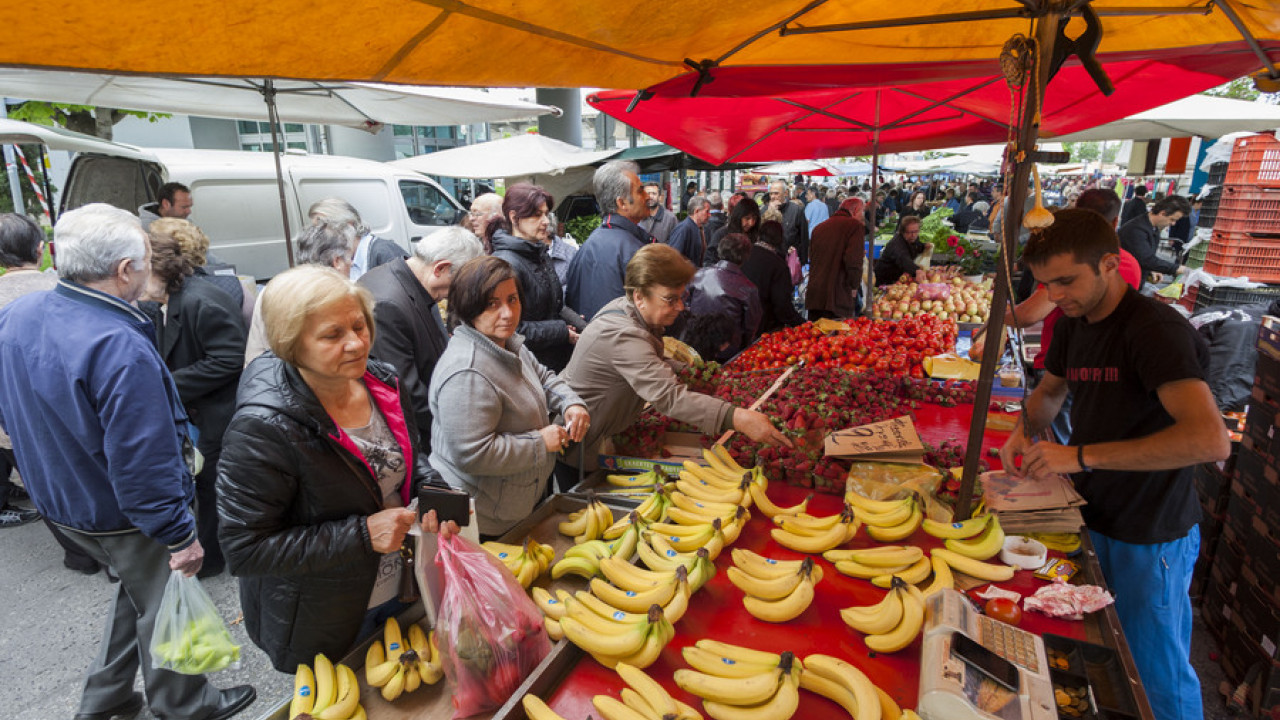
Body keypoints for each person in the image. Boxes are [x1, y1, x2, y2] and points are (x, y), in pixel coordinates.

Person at [0, 204, 256, 720]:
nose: (148, 268)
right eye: (142, 258)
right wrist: (180, 534)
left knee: (139, 593)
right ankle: (184, 705)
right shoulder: (116, 344)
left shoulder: (19, 314)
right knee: (161, 600)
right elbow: (144, 459)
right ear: (123, 270)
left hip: (62, 501)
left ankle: (105, 699)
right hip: (118, 508)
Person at [999, 208, 1230, 720]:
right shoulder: (1075, 324)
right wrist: (1024, 430)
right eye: (1044, 284)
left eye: (1065, 280)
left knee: (1156, 672)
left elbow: (1211, 441)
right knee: (1104, 657)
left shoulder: (1155, 331)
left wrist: (1078, 456)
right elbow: (1051, 392)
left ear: (1108, 264)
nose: (1055, 296)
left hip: (1150, 532)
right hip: (1092, 514)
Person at [218, 265, 457, 672]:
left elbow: (407, 463)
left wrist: (439, 495)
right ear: (291, 343)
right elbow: (244, 549)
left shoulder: (382, 382)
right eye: (332, 335)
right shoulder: (262, 427)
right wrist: (362, 534)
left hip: (400, 587)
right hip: (326, 614)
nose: (356, 343)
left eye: (359, 326)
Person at [557, 244, 792, 489]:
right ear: (639, 296)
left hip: (604, 435)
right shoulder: (622, 333)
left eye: (682, 297)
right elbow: (670, 398)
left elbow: (643, 360)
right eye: (670, 299)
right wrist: (739, 418)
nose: (680, 307)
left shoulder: (630, 310)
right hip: (581, 450)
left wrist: (685, 371)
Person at [429, 256, 589, 537]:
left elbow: (543, 377)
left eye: (512, 299)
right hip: (485, 517)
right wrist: (540, 443)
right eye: (492, 304)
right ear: (469, 306)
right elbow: (472, 453)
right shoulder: (467, 372)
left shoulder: (507, 344)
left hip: (516, 501)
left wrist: (570, 402)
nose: (507, 313)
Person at [0, 213, 109, 583]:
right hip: (71, 408)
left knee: (39, 475)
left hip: (13, 417)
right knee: (90, 474)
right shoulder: (63, 290)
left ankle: (78, 554)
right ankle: (111, 554)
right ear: (39, 249)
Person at [140, 219, 247, 580]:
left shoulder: (202, 299)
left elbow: (230, 359)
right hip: (198, 413)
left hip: (219, 413)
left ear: (159, 270)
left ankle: (213, 559)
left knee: (213, 489)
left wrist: (167, 384)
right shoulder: (166, 302)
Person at [359, 226, 484, 452]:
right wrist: (460, 429)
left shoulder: (408, 278)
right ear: (441, 268)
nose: (462, 291)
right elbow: (407, 396)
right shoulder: (389, 306)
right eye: (462, 282)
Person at [487, 183, 580, 371]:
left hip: (553, 362)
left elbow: (555, 305)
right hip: (528, 367)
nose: (545, 221)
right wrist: (562, 331)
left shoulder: (539, 252)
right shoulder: (505, 263)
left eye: (546, 214)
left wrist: (585, 328)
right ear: (514, 218)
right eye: (537, 215)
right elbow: (512, 330)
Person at [244, 221, 358, 364]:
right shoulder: (336, 295)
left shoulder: (272, 288)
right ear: (337, 261)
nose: (352, 263)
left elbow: (256, 349)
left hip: (263, 375)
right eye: (350, 258)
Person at [565, 160, 653, 322]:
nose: (647, 196)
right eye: (640, 191)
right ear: (622, 203)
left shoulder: (588, 245)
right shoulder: (632, 250)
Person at [679, 233, 761, 362]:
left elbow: (685, 304)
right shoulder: (748, 288)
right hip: (727, 350)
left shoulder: (699, 275)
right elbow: (750, 326)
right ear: (746, 257)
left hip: (694, 344)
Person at [309, 197, 407, 282]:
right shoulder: (333, 256)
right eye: (316, 230)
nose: (318, 236)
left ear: (349, 224)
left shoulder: (386, 254)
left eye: (323, 228)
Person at [806, 197, 866, 320]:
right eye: (862, 212)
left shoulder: (818, 228)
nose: (863, 216)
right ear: (854, 210)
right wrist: (854, 286)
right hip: (837, 296)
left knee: (816, 336)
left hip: (815, 296)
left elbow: (812, 258)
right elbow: (853, 262)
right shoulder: (854, 226)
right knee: (837, 337)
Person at [742, 220, 806, 335]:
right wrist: (801, 323)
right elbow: (782, 305)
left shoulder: (743, 254)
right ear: (780, 240)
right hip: (763, 327)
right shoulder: (778, 265)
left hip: (740, 319)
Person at [1118, 194, 1190, 288]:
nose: (1173, 223)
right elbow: (1146, 259)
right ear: (1162, 213)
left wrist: (1150, 271)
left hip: (1133, 282)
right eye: (1172, 219)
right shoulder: (1136, 229)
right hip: (1122, 284)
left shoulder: (1153, 228)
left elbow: (1139, 255)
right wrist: (1178, 268)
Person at [874, 215, 926, 286]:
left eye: (916, 231)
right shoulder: (896, 243)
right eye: (910, 232)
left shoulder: (911, 238)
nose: (913, 235)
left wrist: (923, 246)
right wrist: (916, 270)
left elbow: (916, 245)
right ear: (903, 232)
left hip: (897, 277)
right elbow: (903, 258)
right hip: (885, 280)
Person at [710, 194, 761, 266]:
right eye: (747, 218)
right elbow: (710, 259)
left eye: (754, 219)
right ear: (738, 217)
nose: (751, 223)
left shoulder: (756, 236)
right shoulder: (721, 234)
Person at [769, 180, 809, 264]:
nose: (773, 196)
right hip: (769, 261)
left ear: (785, 193)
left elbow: (803, 238)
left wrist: (802, 260)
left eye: (776, 193)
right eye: (771, 193)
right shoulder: (765, 211)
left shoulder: (796, 210)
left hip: (789, 261)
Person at [667, 195, 711, 267]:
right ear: (696, 211)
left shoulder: (699, 228)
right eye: (707, 211)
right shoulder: (683, 229)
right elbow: (674, 257)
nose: (709, 215)